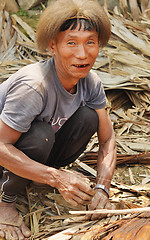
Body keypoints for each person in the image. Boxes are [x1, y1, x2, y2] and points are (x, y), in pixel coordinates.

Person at [0, 0, 116, 239]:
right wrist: (58, 178)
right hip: (7, 151)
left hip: (32, 150)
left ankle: (36, 175)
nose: (82, 54)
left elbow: (108, 138)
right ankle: (4, 201)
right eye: (71, 43)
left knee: (88, 117)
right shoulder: (34, 86)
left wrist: (102, 187)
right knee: (39, 135)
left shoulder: (90, 82)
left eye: (90, 42)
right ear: (52, 46)